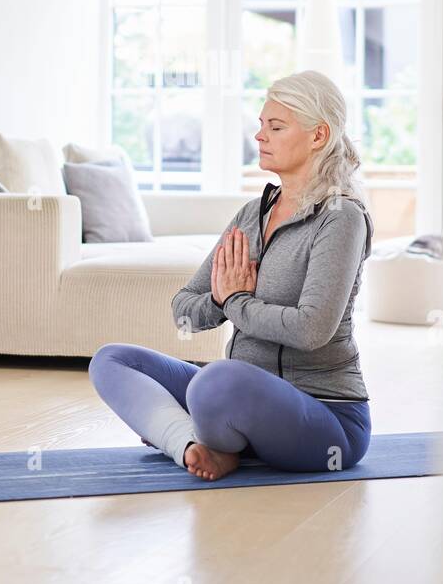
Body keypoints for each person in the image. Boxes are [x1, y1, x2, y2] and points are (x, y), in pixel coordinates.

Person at [89, 70, 373, 482]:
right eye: (261, 126)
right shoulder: (251, 215)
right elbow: (184, 308)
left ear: (318, 136)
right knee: (113, 359)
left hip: (326, 416)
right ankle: (191, 444)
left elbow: (312, 329)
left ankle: (206, 437)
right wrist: (222, 300)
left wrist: (237, 302)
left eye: (276, 127)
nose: (260, 136)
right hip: (237, 396)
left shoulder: (340, 217)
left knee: (217, 379)